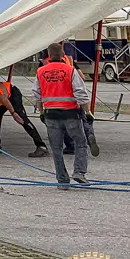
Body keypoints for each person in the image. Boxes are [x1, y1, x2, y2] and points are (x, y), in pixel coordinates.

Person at [37, 41, 91, 186]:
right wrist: (88, 112)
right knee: (80, 143)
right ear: (63, 55)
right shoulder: (70, 70)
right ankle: (79, 172)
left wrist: (41, 112)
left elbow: (37, 94)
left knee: (56, 149)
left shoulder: (40, 71)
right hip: (70, 113)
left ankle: (62, 180)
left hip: (50, 115)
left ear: (49, 55)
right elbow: (81, 93)